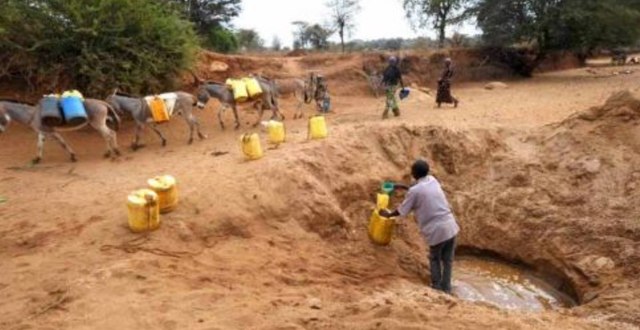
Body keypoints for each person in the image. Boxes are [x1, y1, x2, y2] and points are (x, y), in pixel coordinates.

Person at [381, 160, 460, 294]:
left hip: (437, 230)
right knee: (447, 260)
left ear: (415, 174)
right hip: (451, 226)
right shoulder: (432, 180)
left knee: (434, 258)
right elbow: (419, 190)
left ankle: (436, 288)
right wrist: (401, 186)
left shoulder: (415, 191)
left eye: (412, 171)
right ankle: (446, 288)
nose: (411, 173)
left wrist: (388, 215)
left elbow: (402, 210)